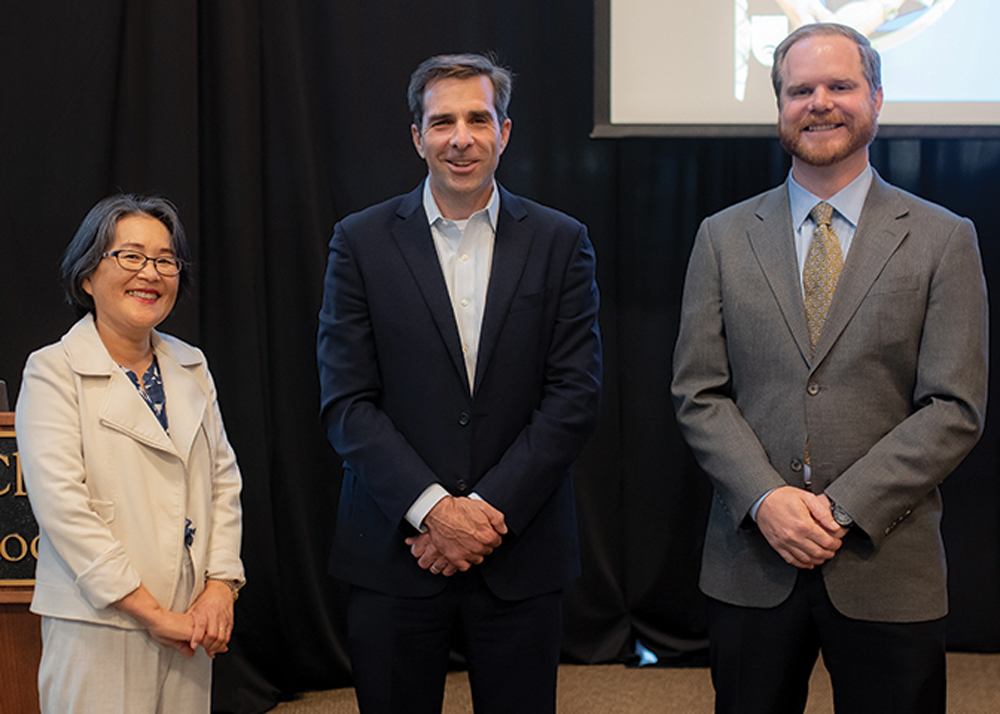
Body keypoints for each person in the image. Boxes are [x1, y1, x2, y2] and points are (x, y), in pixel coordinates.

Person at [671, 23, 987, 714]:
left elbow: (953, 408)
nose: (820, 103)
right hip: (752, 561)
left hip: (887, 563)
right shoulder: (722, 238)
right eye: (800, 90)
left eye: (840, 86)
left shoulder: (943, 239)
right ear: (779, 105)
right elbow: (699, 392)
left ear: (877, 97)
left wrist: (839, 510)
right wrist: (767, 498)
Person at [317, 53, 602, 714]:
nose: (460, 137)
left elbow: (574, 396)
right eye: (441, 121)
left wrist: (484, 516)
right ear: (417, 137)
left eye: (478, 118)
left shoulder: (563, 242)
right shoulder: (358, 243)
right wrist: (434, 512)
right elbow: (347, 402)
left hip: (519, 552)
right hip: (395, 549)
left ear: (505, 131)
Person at [16, 194, 245, 713]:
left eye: (165, 260)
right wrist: (150, 613)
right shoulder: (53, 370)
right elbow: (62, 510)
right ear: (87, 277)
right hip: (100, 620)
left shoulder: (192, 365)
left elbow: (222, 482)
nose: (152, 273)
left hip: (190, 618)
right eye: (131, 256)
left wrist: (221, 586)